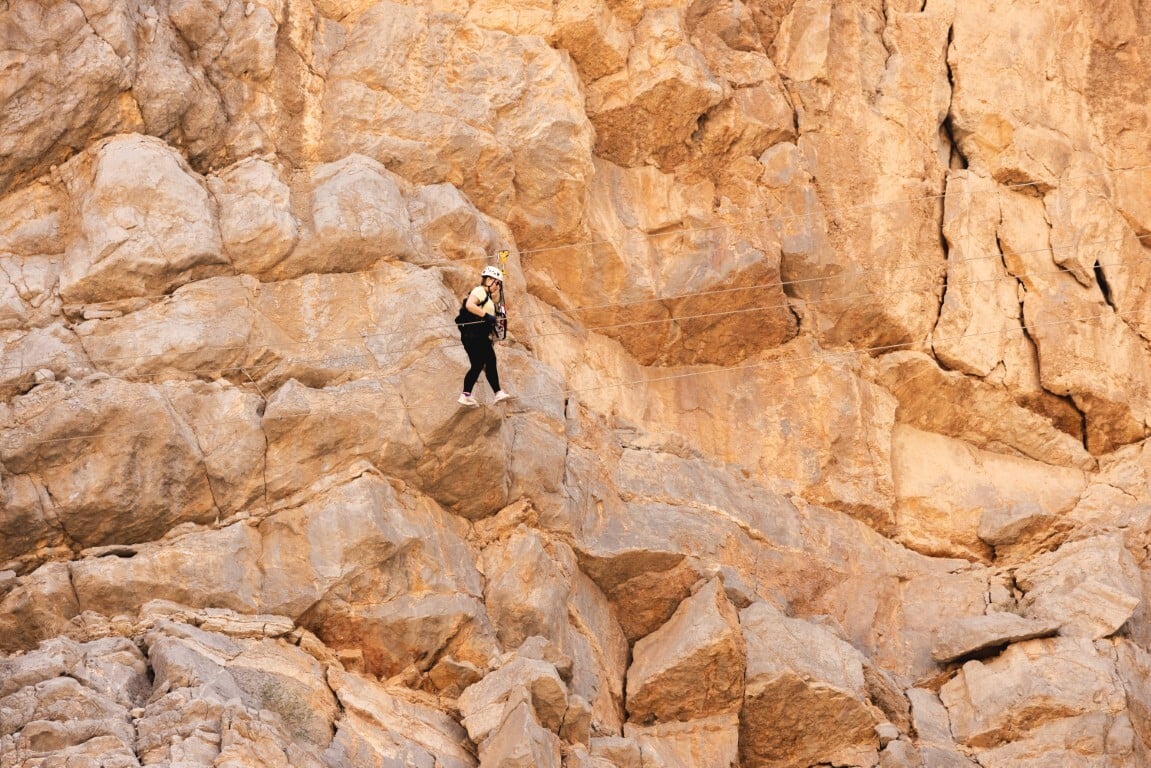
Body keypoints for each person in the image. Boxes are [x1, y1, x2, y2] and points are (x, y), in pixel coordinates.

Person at [458, 265, 511, 406]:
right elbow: (470, 305)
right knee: (490, 361)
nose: (497, 287)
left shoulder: (487, 298)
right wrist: (487, 316)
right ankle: (498, 392)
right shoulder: (480, 291)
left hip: (474, 335)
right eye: (497, 283)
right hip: (476, 334)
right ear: (488, 279)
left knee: (478, 365)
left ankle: (466, 395)